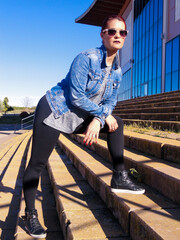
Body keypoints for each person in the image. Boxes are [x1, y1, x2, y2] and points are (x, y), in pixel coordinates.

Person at [22, 15, 145, 238]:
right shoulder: (86, 58)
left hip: (81, 115)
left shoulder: (117, 70)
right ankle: (29, 214)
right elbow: (76, 96)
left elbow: (110, 102)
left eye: (122, 32)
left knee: (117, 123)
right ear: (103, 34)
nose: (117, 36)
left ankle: (119, 176)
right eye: (112, 31)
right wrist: (99, 114)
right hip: (55, 110)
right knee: (38, 162)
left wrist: (99, 120)